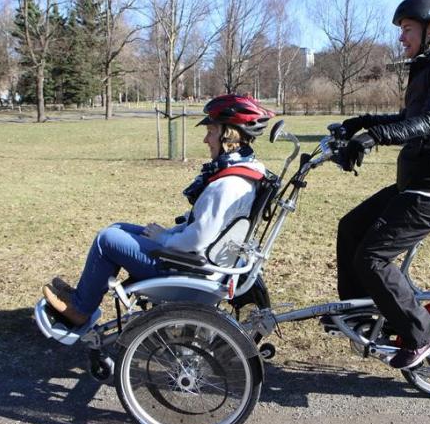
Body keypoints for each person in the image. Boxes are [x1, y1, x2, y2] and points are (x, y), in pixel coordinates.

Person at [42, 94, 274, 327]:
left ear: (228, 136)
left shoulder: (228, 184)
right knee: (118, 228)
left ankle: (80, 309)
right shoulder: (247, 172)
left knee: (106, 239)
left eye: (211, 132)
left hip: (188, 271)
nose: (206, 140)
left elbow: (198, 239)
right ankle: (84, 294)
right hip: (199, 264)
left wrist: (165, 238)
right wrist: (170, 235)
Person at [334, 0, 430, 370]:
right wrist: (364, 122)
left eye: (406, 30)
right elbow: (408, 114)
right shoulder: (427, 67)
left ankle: (423, 334)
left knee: (373, 256)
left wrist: (374, 137)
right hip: (412, 184)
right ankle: (361, 314)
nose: (401, 38)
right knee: (351, 228)